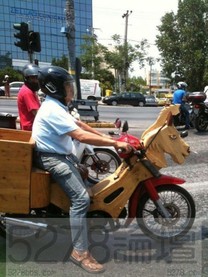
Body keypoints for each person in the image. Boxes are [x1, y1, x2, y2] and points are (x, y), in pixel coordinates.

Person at [32, 66, 132, 274]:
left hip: (63, 155)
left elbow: (80, 125)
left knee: (89, 178)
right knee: (81, 199)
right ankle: (79, 252)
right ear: (55, 88)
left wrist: (109, 138)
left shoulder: (58, 106)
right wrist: (114, 144)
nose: (71, 90)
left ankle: (85, 226)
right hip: (52, 158)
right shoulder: (52, 109)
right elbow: (81, 136)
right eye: (68, 86)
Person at [17, 63, 41, 131]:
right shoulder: (27, 92)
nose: (36, 81)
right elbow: (37, 113)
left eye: (37, 78)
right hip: (31, 129)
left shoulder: (29, 90)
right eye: (33, 78)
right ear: (26, 78)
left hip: (32, 127)